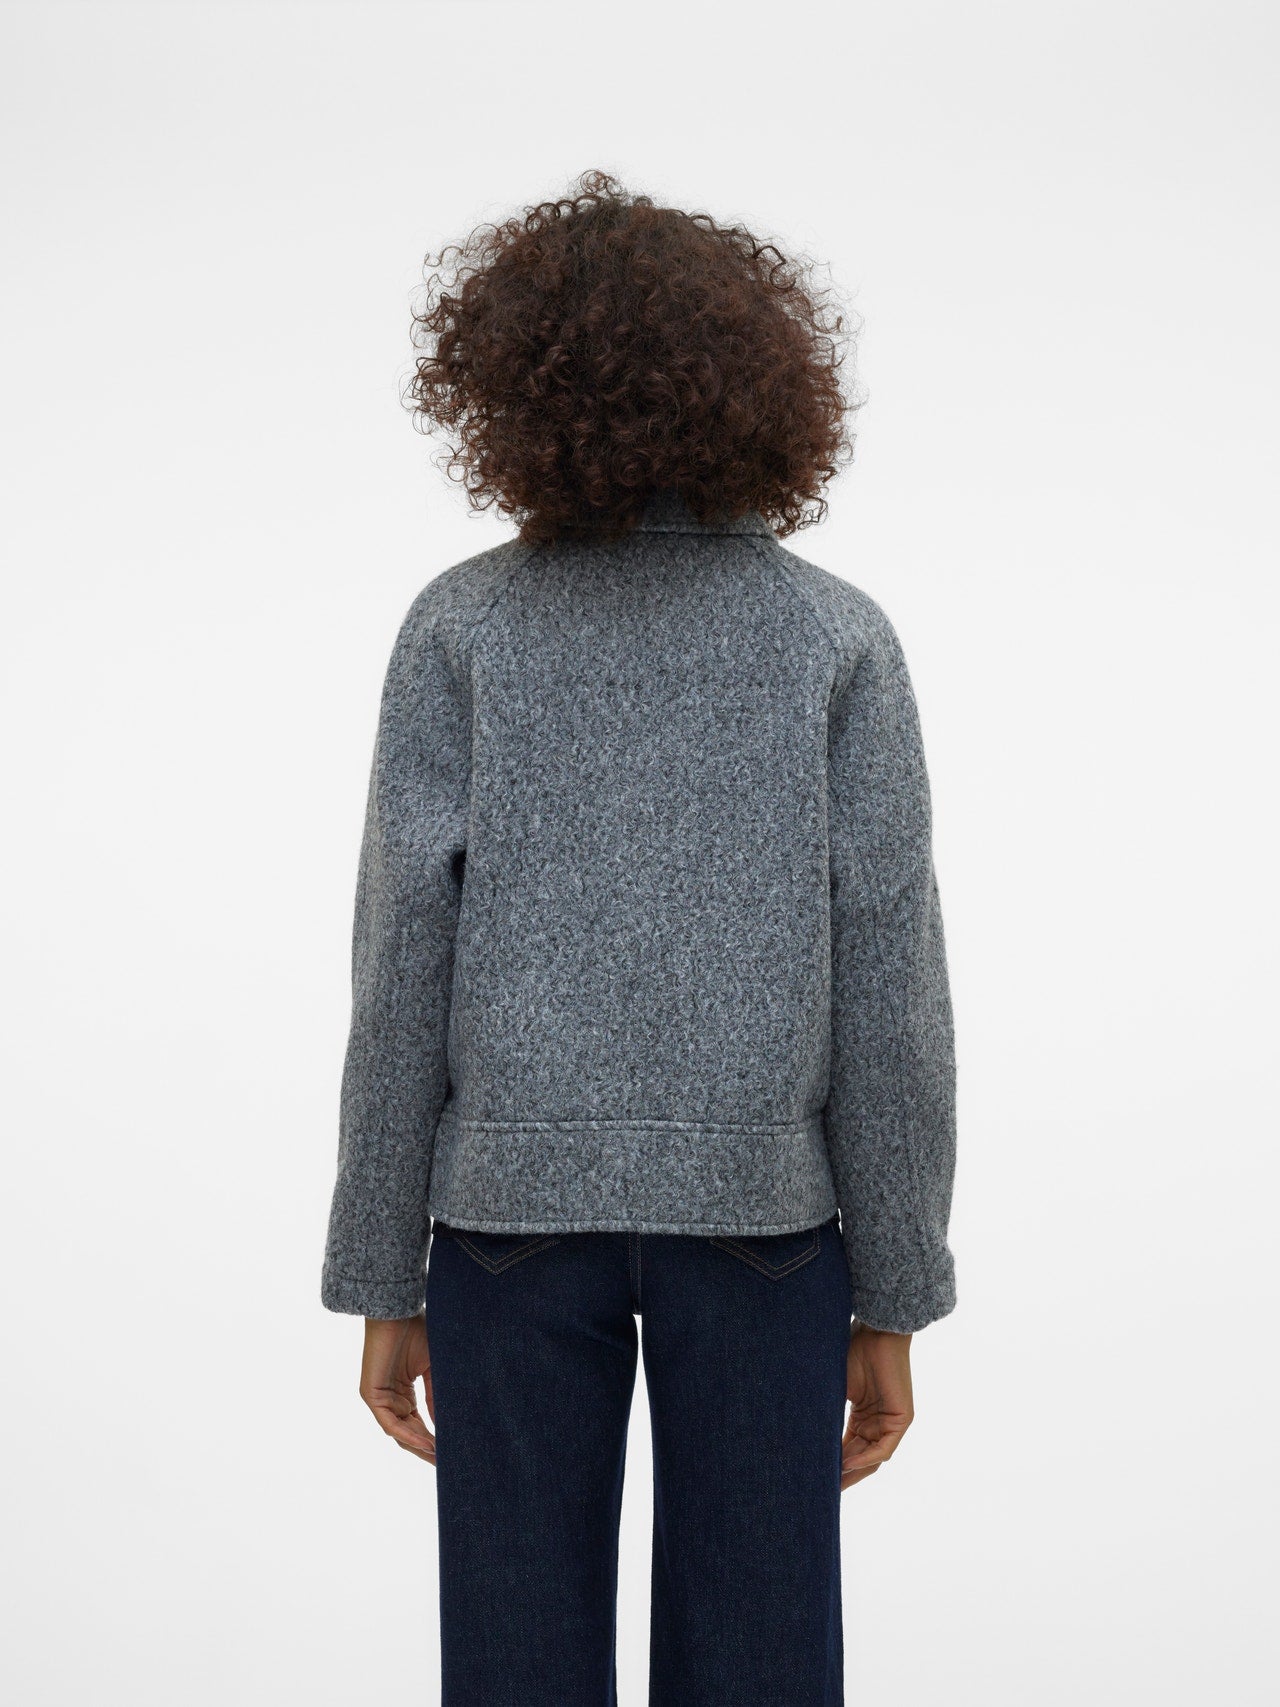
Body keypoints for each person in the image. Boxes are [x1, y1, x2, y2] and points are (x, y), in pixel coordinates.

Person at [321, 168, 957, 1707]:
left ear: (512, 388)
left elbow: (403, 966)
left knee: (516, 1664)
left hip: (505, 1225)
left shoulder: (463, 628)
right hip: (765, 1230)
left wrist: (382, 1270)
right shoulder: (836, 637)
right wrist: (895, 1290)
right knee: (760, 1662)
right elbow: (892, 987)